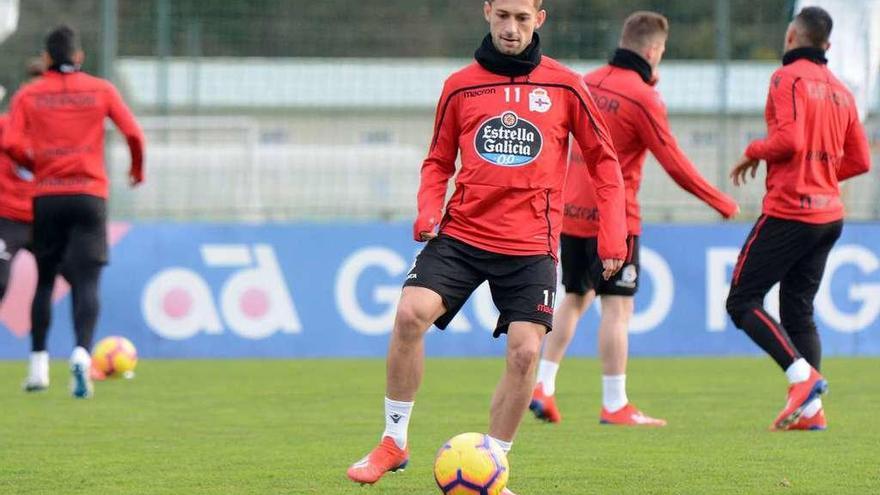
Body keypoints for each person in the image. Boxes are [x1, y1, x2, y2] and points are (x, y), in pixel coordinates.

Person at [346, 0, 628, 491]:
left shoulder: (565, 85)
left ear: (539, 19)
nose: (512, 28)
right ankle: (393, 442)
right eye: (503, 16)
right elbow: (437, 160)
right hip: (463, 233)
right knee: (410, 313)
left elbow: (605, 163)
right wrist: (428, 207)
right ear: (487, 13)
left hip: (530, 244)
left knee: (524, 354)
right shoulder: (460, 85)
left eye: (522, 18)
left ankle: (490, 466)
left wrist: (612, 233)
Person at [529, 11, 740, 426]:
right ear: (654, 49)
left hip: (569, 213)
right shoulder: (642, 98)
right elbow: (675, 163)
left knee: (574, 298)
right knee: (617, 309)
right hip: (614, 219)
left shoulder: (585, 82)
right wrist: (722, 202)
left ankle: (543, 385)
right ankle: (614, 403)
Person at [726, 7, 870, 431]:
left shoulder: (786, 77)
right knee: (799, 311)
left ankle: (801, 376)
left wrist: (754, 149)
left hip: (792, 210)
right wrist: (823, 175)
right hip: (830, 215)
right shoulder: (842, 90)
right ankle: (811, 412)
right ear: (827, 45)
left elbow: (790, 139)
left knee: (741, 301)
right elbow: (860, 160)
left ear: (791, 36)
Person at [3, 25, 145, 398]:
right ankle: (82, 354)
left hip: (47, 195)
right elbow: (133, 133)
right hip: (89, 194)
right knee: (87, 281)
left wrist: (38, 167)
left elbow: (12, 142)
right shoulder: (101, 89)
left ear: (47, 59)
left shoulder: (29, 94)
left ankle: (38, 367)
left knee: (45, 279)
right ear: (79, 57)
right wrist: (137, 169)